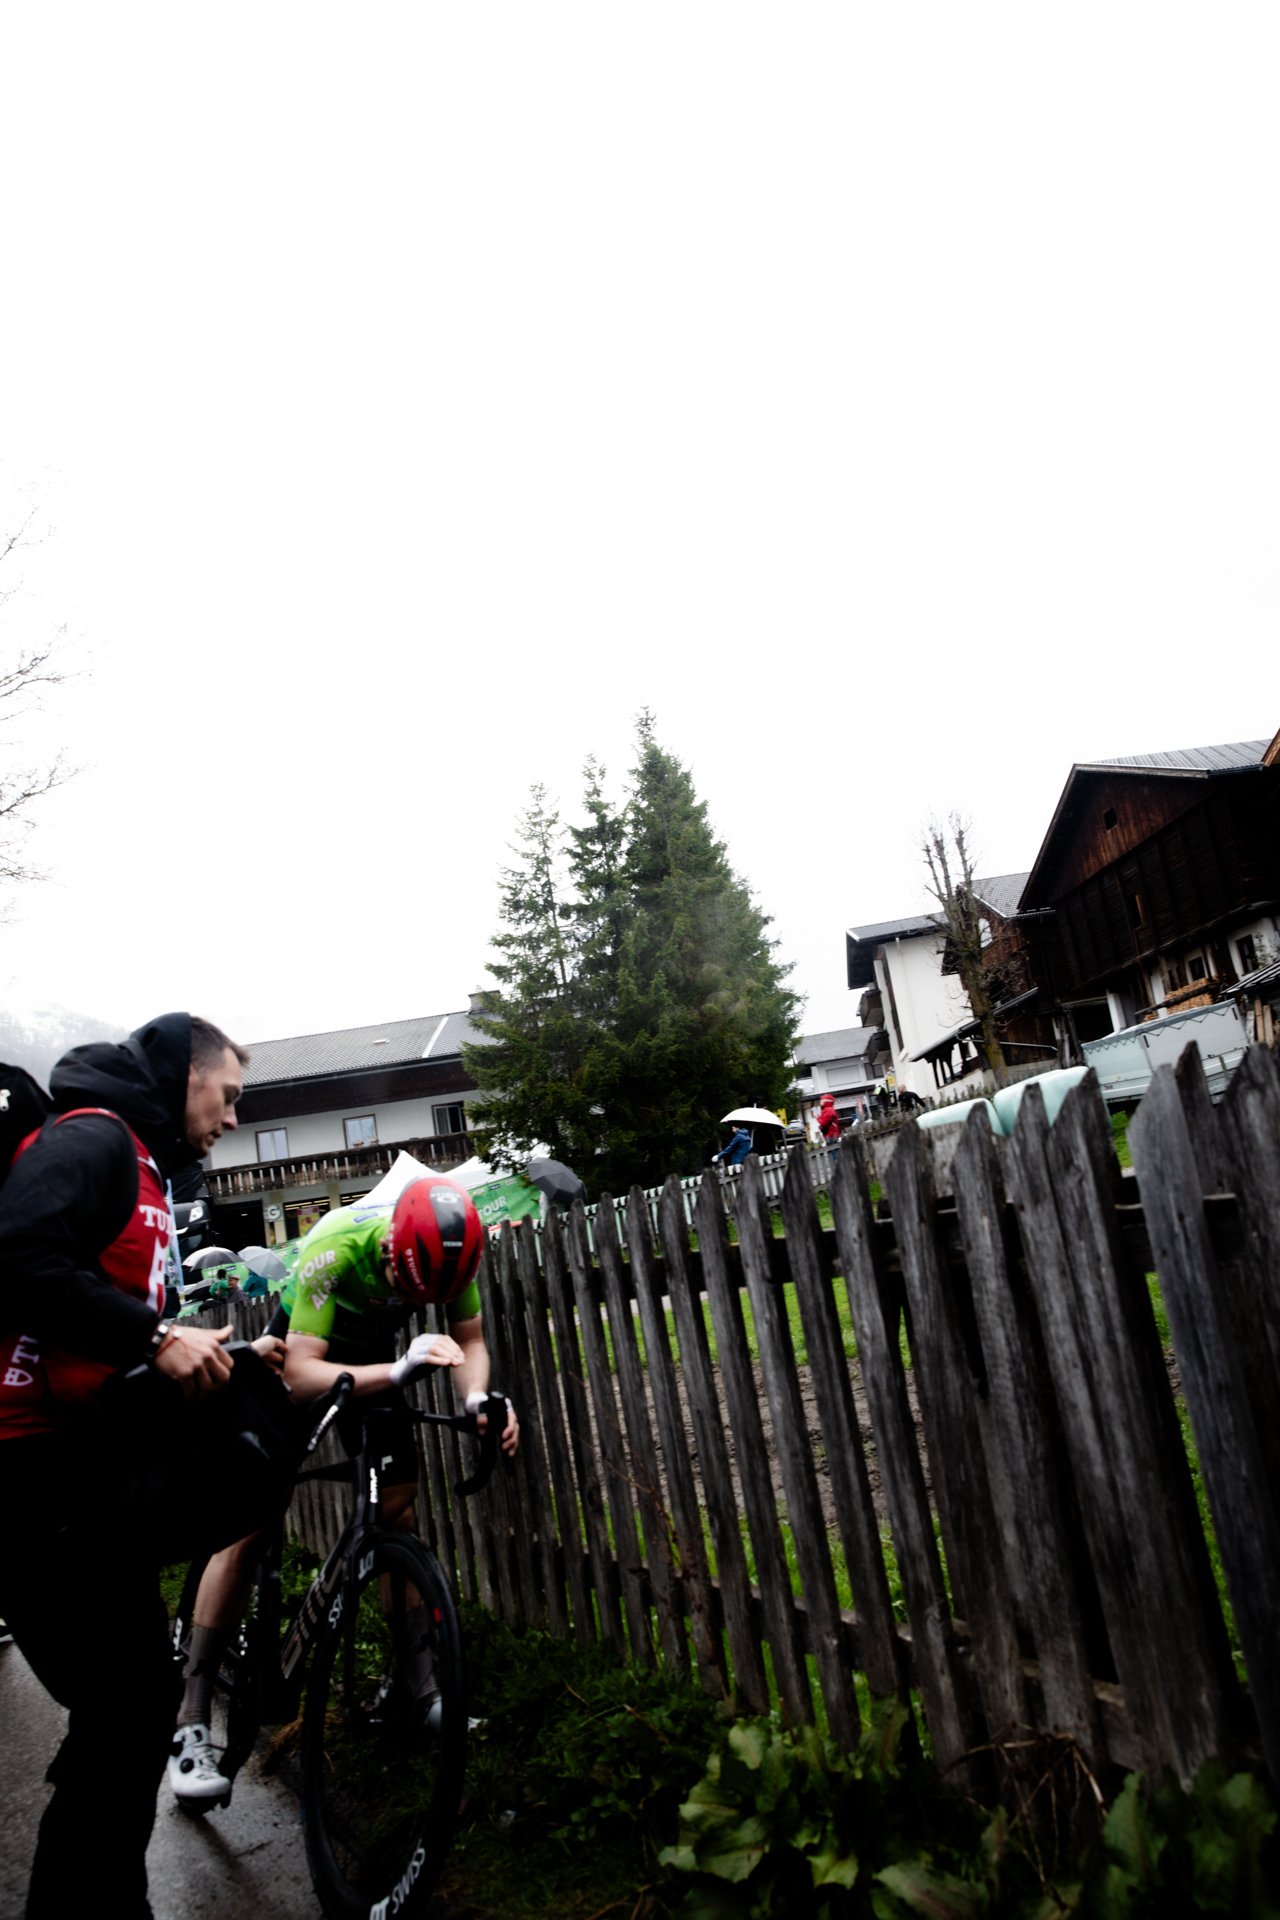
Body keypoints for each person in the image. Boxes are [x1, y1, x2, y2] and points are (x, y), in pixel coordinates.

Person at [0, 1012, 251, 1920]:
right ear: (184, 1074)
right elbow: (21, 1257)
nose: (229, 1118)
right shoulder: (93, 1138)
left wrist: (187, 1358)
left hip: (83, 1471)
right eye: (225, 1095)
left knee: (130, 1710)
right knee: (128, 1710)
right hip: (28, 1472)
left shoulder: (142, 1165)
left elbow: (94, 1322)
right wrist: (151, 1333)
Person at [169, 1171, 520, 1808]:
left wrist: (476, 1397)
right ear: (392, 1248)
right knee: (251, 1517)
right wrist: (400, 1368)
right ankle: (191, 1715)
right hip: (301, 1356)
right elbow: (302, 1374)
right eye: (407, 1286)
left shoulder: (452, 1252)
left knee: (398, 1508)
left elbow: (469, 1339)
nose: (415, 1296)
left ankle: (415, 1689)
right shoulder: (339, 1244)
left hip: (376, 1364)